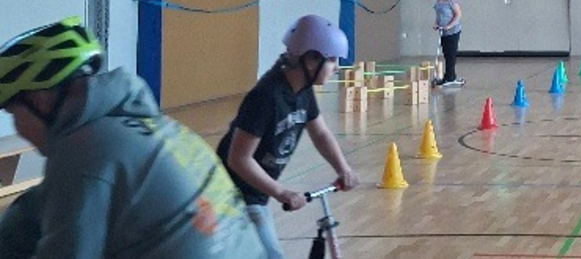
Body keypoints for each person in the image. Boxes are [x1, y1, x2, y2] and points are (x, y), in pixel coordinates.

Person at [0, 17, 266, 259]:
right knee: (35, 206)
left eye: (13, 112)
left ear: (39, 100)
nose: (18, 127)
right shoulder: (146, 123)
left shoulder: (83, 149)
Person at [218, 15, 359, 259]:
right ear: (311, 59)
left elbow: (321, 133)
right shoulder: (266, 96)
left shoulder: (302, 90)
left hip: (256, 195)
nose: (336, 67)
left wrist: (343, 168)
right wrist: (282, 193)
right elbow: (239, 159)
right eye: (333, 59)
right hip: (232, 194)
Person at [432, 0, 464, 87]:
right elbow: (438, 16)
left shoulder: (452, 2)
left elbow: (458, 14)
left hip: (453, 31)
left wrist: (450, 25)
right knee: (446, 54)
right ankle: (450, 76)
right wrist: (436, 24)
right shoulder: (438, 3)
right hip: (443, 32)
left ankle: (450, 77)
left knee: (451, 54)